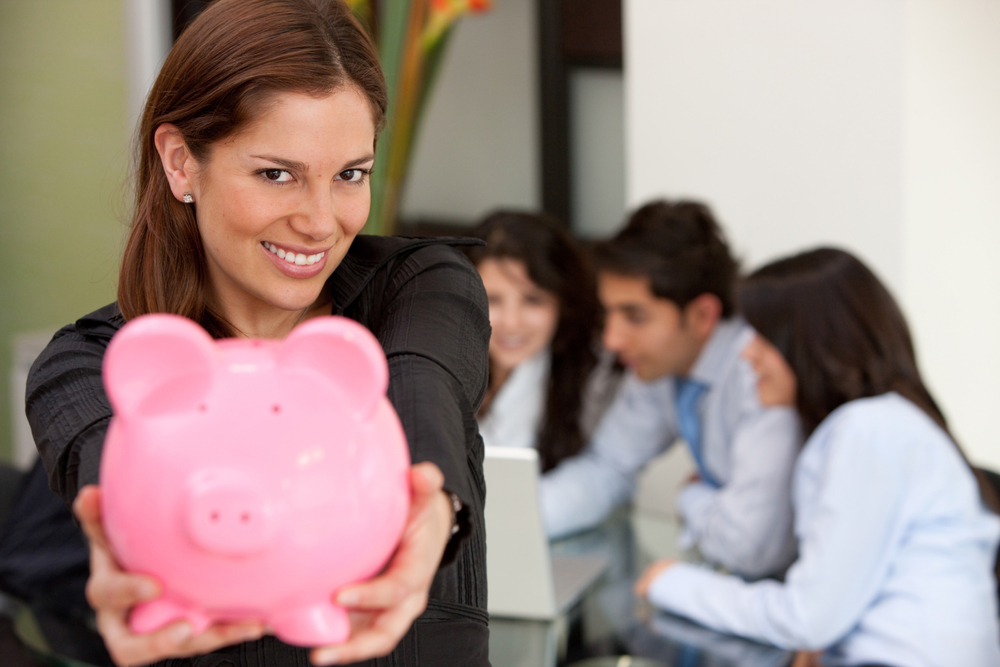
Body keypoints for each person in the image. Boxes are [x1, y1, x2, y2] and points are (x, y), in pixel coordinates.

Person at [24, 1, 491, 665]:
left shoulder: (417, 288)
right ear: (181, 162)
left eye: (349, 175)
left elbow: (423, 387)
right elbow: (120, 474)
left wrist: (427, 503)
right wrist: (127, 539)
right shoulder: (91, 364)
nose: (322, 222)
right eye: (278, 174)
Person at [636, 248, 1000, 666]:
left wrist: (674, 583)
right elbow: (825, 609)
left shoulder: (868, 430)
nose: (746, 353)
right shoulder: (876, 424)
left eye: (763, 337)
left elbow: (808, 617)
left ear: (814, 341)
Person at [540, 200, 801, 580]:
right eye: (609, 313)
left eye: (634, 316)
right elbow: (607, 467)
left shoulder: (759, 374)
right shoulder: (660, 366)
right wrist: (499, 523)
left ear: (702, 316)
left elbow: (753, 547)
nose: (612, 339)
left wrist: (690, 497)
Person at [465, 211, 620, 472]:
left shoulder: (595, 374)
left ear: (564, 302)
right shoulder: (431, 364)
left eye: (533, 300)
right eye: (492, 299)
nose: (511, 323)